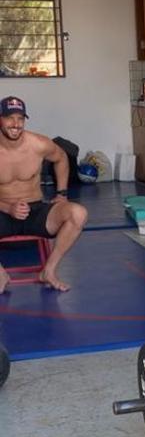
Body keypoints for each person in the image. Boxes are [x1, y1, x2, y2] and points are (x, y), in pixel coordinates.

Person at [0, 96, 88, 292]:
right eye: (9, 118)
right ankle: (1, 274)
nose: (15, 124)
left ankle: (49, 270)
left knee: (78, 213)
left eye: (20, 118)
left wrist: (62, 193)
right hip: (2, 212)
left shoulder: (38, 144)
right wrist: (8, 207)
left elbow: (61, 157)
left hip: (35, 210)